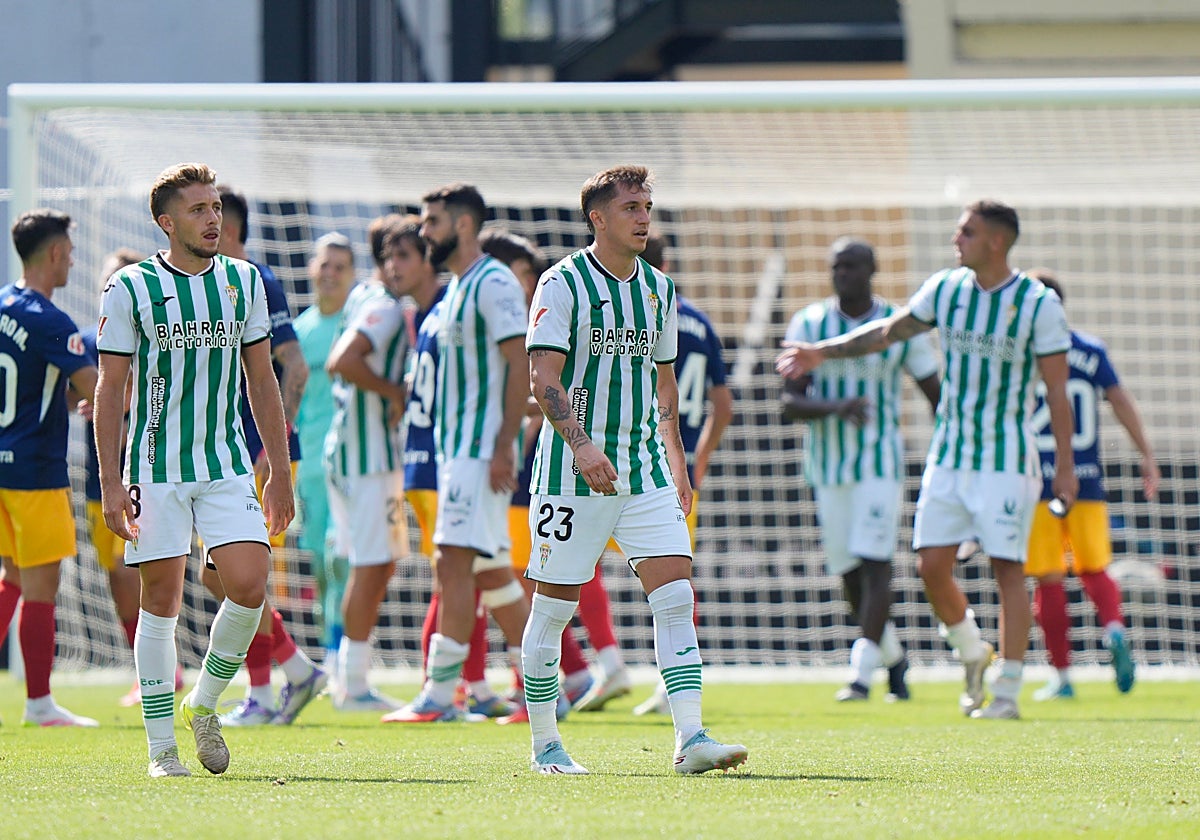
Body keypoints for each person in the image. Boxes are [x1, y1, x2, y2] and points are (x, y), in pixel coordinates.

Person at [777, 200, 1077, 721]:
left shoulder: (1037, 303)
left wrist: (1065, 467)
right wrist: (823, 351)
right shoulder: (946, 289)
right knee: (930, 568)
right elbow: (887, 332)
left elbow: (1056, 392)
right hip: (950, 453)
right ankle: (971, 651)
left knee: (1007, 567)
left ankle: (1006, 692)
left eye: (966, 231)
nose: (955, 238)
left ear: (996, 242)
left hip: (1006, 457)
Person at [521, 164, 747, 774]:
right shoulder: (561, 283)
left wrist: (676, 458)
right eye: (631, 208)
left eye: (647, 206)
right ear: (598, 218)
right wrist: (582, 447)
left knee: (675, 597)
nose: (644, 216)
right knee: (553, 608)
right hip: (572, 473)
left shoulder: (659, 290)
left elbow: (665, 386)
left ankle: (692, 740)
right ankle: (546, 746)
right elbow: (544, 380)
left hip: (645, 468)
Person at [95, 162, 294, 777]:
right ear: (167, 221)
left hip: (226, 464)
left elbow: (263, 379)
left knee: (249, 581)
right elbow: (110, 389)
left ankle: (203, 703)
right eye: (199, 210)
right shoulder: (129, 288)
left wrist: (280, 471)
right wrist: (108, 481)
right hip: (154, 468)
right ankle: (162, 752)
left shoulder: (244, 281)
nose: (215, 219)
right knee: (162, 596)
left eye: (216, 208)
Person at [386, 184, 533, 723]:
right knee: (491, 572)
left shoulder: (493, 282)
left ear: (464, 225)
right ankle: (546, 685)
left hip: (478, 453)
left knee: (452, 561)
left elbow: (519, 365)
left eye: (432, 222)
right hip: (456, 453)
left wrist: (502, 448)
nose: (425, 232)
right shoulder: (457, 288)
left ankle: (440, 694)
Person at [780, 237, 940, 704]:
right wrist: (839, 406)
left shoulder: (897, 327)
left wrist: (947, 447)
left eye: (851, 266)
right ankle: (894, 661)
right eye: (836, 267)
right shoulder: (809, 323)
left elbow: (935, 392)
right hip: (828, 468)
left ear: (872, 271)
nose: (842, 274)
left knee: (875, 565)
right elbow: (789, 402)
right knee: (849, 573)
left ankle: (860, 674)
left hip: (879, 464)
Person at [205, 187, 324, 728]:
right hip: (224, 456)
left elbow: (294, 367)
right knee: (220, 576)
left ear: (228, 229)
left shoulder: (257, 281)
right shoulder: (211, 285)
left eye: (208, 214)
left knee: (241, 577)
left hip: (256, 457)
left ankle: (261, 691)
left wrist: (271, 450)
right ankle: (295, 670)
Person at [1022, 269, 1158, 701]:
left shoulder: (1023, 353)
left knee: (1047, 580)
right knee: (1094, 569)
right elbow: (1119, 399)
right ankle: (1114, 627)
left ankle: (1062, 677)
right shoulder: (1090, 349)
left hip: (1037, 483)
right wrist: (1146, 454)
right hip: (1087, 483)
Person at [622, 233, 738, 717]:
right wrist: (699, 459)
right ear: (666, 264)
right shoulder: (698, 321)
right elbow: (724, 404)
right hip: (673, 468)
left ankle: (597, 664)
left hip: (624, 458)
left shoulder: (625, 312)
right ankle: (665, 682)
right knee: (673, 583)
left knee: (571, 574)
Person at [0, 209, 100, 728]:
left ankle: (40, 701)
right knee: (40, 587)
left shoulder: (1, 305)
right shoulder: (50, 319)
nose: (74, 260)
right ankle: (39, 703)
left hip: (1, 465)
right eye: (71, 251)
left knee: (11, 579)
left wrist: (62, 396)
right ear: (57, 253)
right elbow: (97, 390)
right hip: (36, 471)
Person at [79, 248, 185, 707]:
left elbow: (149, 389)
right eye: (106, 280)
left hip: (146, 474)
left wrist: (119, 404)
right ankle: (149, 672)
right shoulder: (86, 340)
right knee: (118, 581)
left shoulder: (155, 338)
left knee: (139, 574)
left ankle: (166, 673)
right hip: (96, 477)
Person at [323, 216, 411, 713]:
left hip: (356, 452)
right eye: (396, 254)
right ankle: (351, 685)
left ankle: (349, 675)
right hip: (367, 455)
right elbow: (342, 360)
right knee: (371, 563)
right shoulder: (382, 305)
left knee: (376, 562)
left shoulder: (364, 297)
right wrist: (395, 391)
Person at [293, 232, 357, 682]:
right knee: (320, 565)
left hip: (356, 465)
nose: (331, 273)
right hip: (310, 468)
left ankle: (345, 658)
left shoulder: (361, 323)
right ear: (313, 270)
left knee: (344, 559)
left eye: (340, 266)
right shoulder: (298, 331)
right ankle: (329, 649)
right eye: (325, 264)